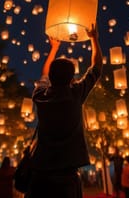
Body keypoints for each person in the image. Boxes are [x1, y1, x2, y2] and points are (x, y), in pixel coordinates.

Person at [27, 24, 103, 198]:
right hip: (67, 176)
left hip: (41, 173)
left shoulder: (41, 96)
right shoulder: (75, 94)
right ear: (72, 78)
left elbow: (44, 75)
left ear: (51, 78)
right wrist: (94, 39)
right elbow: (96, 68)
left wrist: (54, 49)